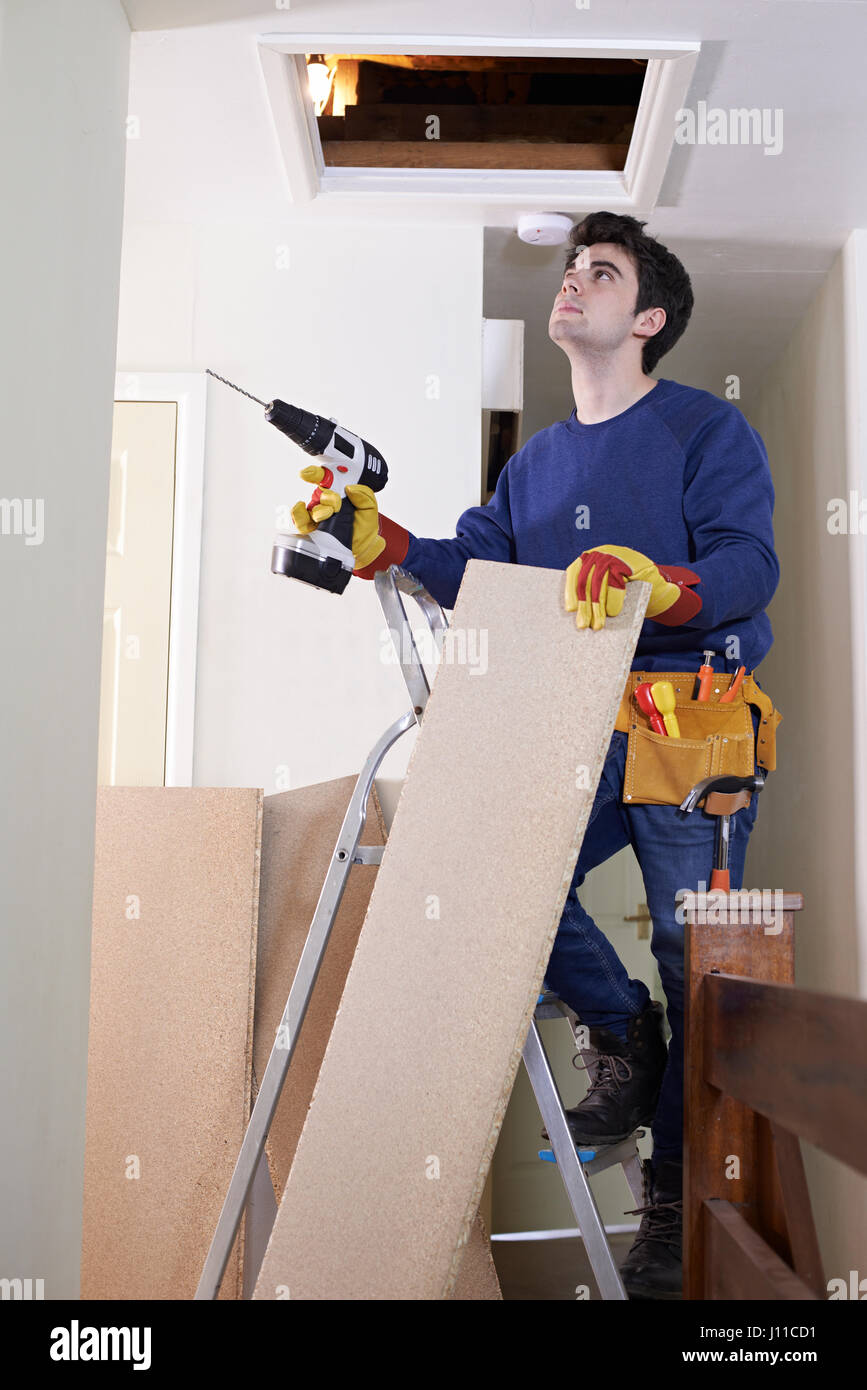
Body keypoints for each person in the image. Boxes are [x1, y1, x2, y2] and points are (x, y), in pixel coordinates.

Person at [292, 210, 780, 1300]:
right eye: (570, 268)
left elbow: (750, 564)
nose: (572, 280)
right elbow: (482, 567)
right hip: (576, 729)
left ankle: (671, 1204)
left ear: (648, 319)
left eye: (598, 272)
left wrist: (664, 582)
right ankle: (619, 1030)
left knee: (690, 958)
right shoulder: (540, 465)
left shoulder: (707, 432)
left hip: (689, 735)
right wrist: (388, 545)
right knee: (499, 881)